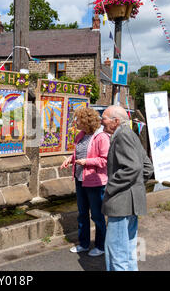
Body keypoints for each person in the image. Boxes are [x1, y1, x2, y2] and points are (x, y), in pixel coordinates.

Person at [100, 105, 153, 271]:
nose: (101, 122)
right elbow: (147, 167)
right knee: (128, 251)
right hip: (132, 202)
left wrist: (111, 187)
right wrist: (136, 187)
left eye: (104, 118)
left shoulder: (121, 135)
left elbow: (133, 168)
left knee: (116, 253)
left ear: (116, 121)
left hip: (120, 203)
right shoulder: (131, 134)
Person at [60, 107, 110, 257]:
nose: (76, 122)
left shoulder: (102, 137)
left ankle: (101, 246)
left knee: (96, 215)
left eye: (78, 119)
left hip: (95, 182)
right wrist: (71, 159)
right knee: (82, 214)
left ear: (87, 121)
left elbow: (105, 160)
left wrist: (86, 162)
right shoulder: (81, 135)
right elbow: (79, 152)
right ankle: (84, 244)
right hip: (80, 179)